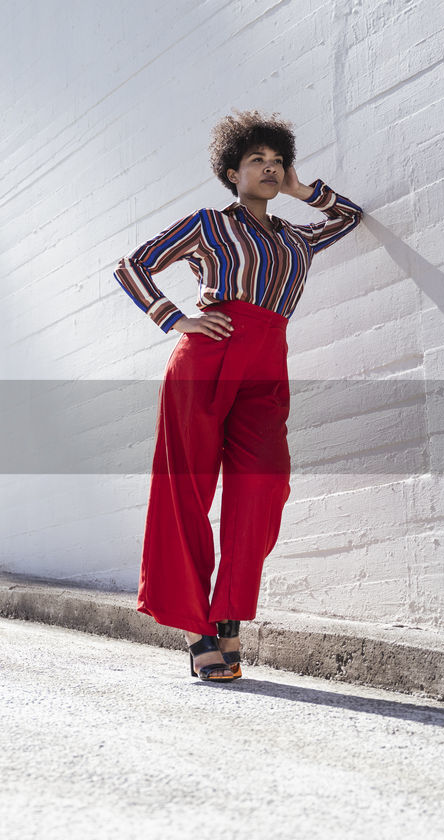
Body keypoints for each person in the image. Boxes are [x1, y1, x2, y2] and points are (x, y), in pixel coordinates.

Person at [111, 110, 363, 682]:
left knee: (263, 487)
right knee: (186, 490)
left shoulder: (296, 238)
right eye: (258, 161)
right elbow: (134, 265)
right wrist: (175, 318)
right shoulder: (209, 224)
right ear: (232, 171)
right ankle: (200, 631)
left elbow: (347, 217)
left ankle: (229, 615)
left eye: (278, 162)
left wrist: (302, 189)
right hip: (208, 358)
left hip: (268, 366)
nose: (271, 169)